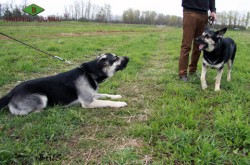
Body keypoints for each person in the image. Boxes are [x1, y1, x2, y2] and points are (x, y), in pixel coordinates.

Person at [178, 0, 216, 81]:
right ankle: (182, 73)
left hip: (204, 14)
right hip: (190, 12)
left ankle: (193, 70)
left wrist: (213, 10)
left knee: (199, 45)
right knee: (186, 45)